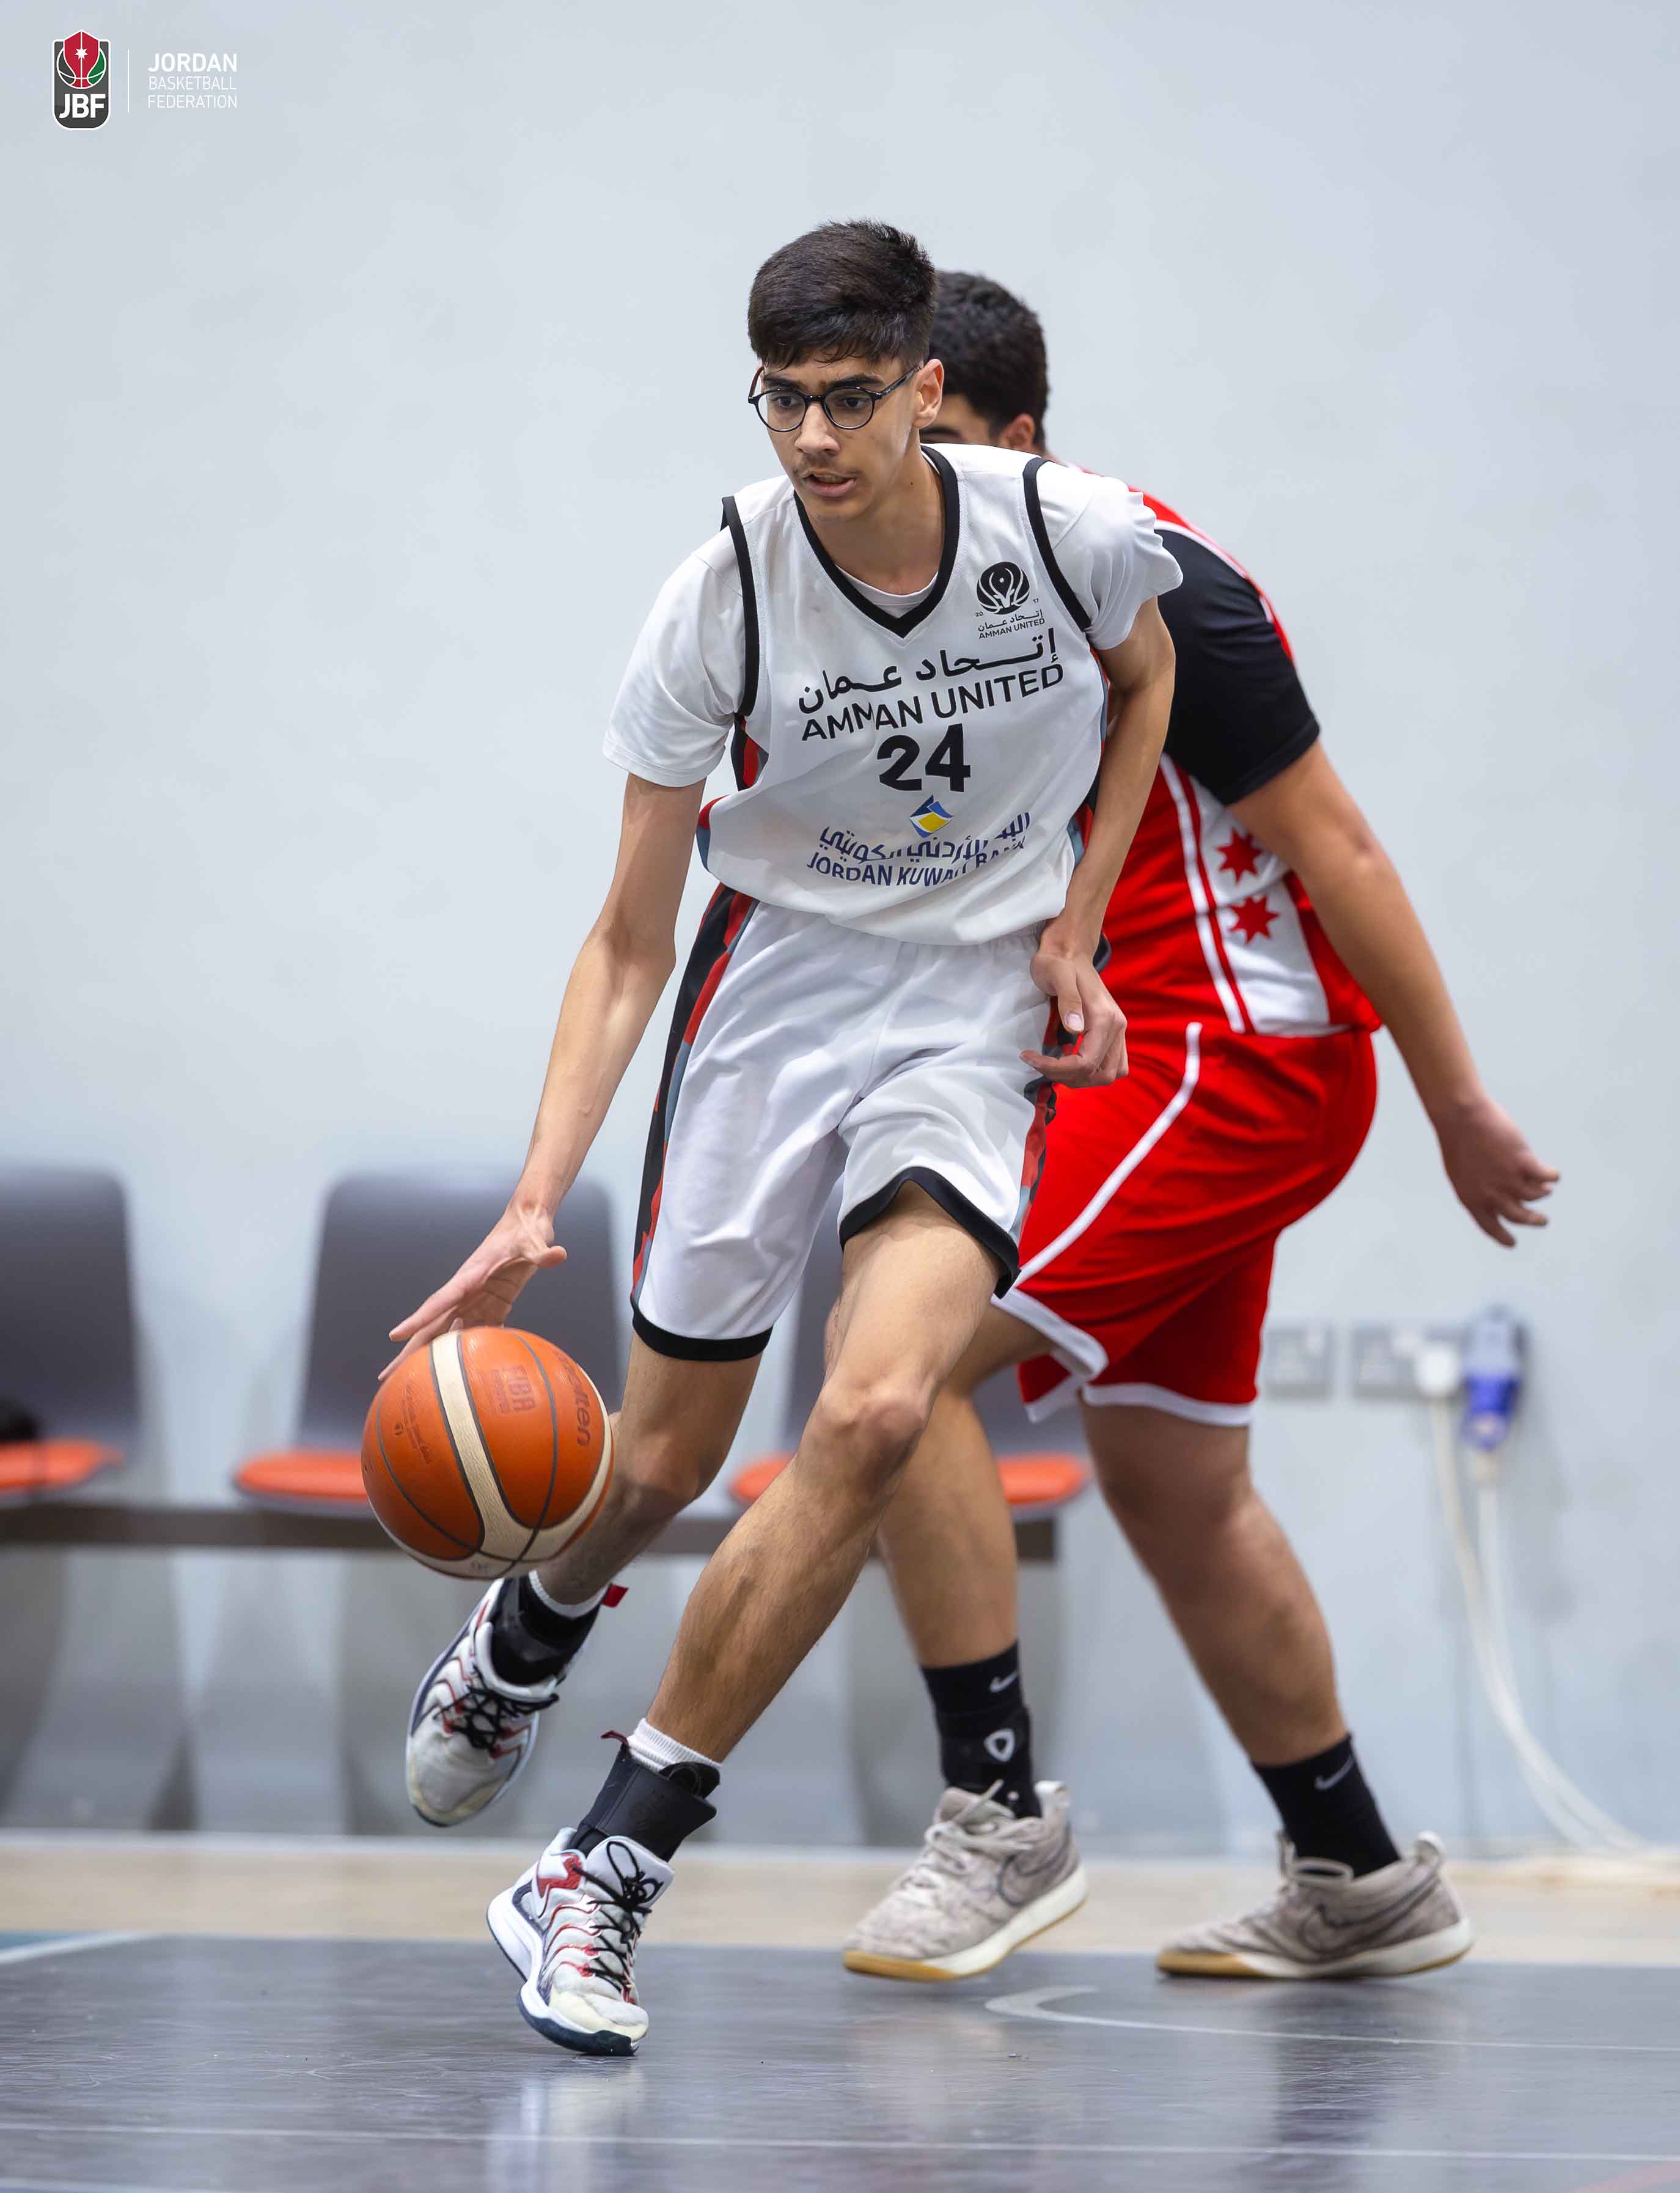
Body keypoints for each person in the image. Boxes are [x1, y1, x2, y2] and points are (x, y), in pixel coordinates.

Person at [386, 222, 1181, 2055]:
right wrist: (533, 1196)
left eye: (847, 397)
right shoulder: (721, 595)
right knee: (663, 1459)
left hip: (969, 1015)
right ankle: (531, 1631)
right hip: (775, 998)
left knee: (880, 1410)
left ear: (924, 386)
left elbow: (1148, 683)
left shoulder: (1068, 533)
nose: (813, 437)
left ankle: (605, 1867)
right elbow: (628, 939)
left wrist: (1080, 926)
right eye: (781, 400)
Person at [836, 271, 1559, 1986]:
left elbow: (1342, 846)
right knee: (1176, 1485)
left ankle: (997, 1820)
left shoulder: (1155, 580)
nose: (909, 483)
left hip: (1237, 1060)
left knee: (893, 1378)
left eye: (941, 444)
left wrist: (1457, 1101)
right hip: (1142, 1062)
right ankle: (1361, 1878)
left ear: (1019, 437)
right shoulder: (926, 595)